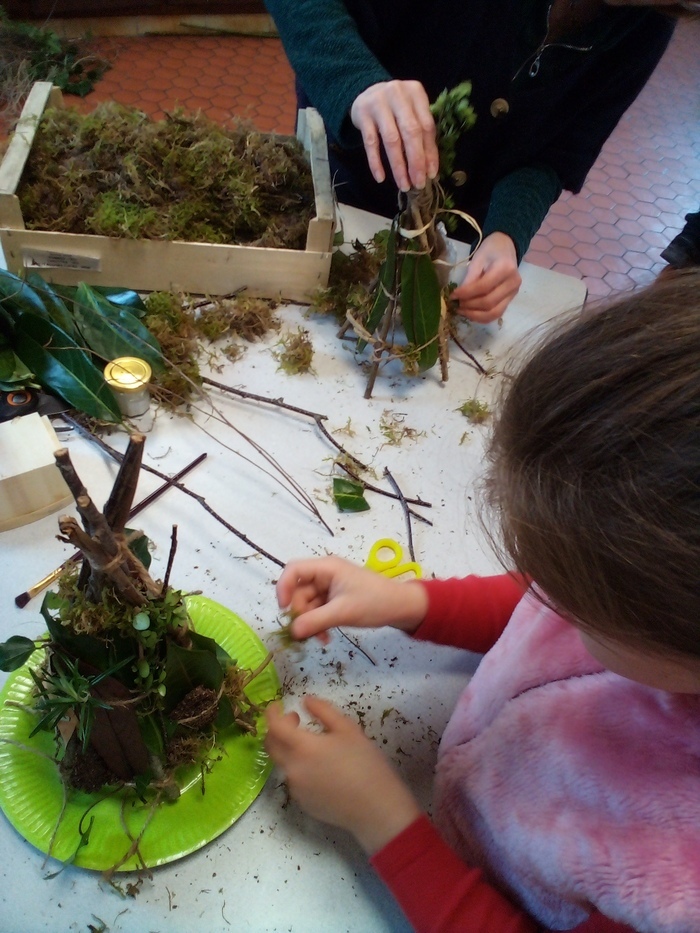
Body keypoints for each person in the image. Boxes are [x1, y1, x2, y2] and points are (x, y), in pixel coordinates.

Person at [265, 269, 700, 933]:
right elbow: (543, 607)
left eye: (579, 603)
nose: (550, 598)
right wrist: (409, 601)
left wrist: (381, 820)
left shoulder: (676, 879)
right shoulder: (651, 608)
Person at [263, 0, 694, 322]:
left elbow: (557, 151)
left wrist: (505, 234)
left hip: (454, 229)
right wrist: (355, 81)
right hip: (341, 186)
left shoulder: (649, 22)